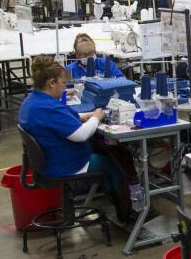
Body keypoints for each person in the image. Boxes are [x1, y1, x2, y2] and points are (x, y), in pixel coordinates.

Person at [18, 56, 136, 219]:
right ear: (51, 83)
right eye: (63, 83)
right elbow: (81, 135)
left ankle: (119, 204)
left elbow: (55, 121)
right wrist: (96, 117)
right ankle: (126, 213)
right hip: (65, 164)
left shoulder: (33, 101)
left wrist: (80, 117)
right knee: (116, 163)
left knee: (109, 149)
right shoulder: (49, 107)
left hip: (49, 161)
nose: (64, 88)